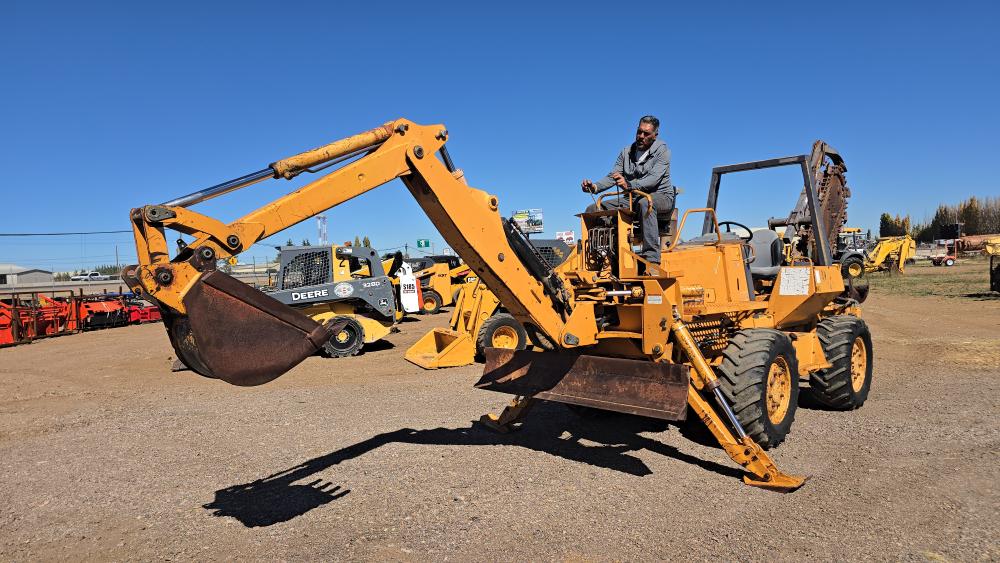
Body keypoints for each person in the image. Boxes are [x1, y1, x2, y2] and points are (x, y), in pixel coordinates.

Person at [582, 115, 675, 264]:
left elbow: (653, 180)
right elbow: (613, 176)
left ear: (655, 135)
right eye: (639, 132)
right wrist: (595, 187)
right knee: (593, 208)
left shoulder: (663, 152)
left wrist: (629, 185)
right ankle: (604, 258)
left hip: (660, 197)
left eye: (646, 134)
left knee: (646, 203)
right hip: (632, 198)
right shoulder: (626, 152)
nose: (641, 136)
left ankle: (652, 260)